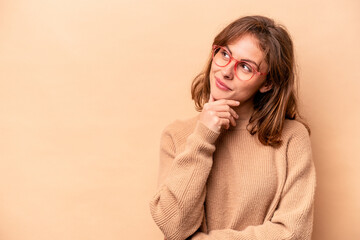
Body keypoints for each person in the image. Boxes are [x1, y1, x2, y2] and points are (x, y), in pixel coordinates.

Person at [149, 15, 316, 240]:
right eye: (224, 54)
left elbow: (294, 233)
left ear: (267, 83)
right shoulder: (177, 136)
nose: (226, 71)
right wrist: (203, 137)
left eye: (245, 67)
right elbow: (173, 227)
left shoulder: (292, 138)